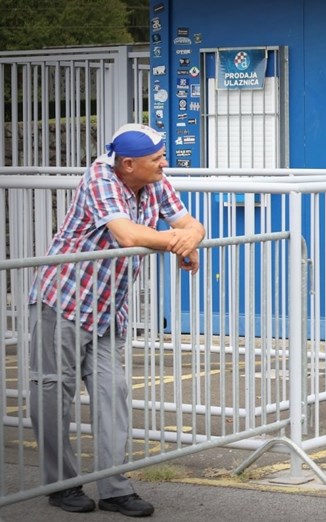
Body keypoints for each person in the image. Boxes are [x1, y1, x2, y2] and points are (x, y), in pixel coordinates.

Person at [27, 123, 205, 517]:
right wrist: (179, 242)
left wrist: (190, 237)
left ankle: (114, 488)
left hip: (109, 308)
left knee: (113, 395)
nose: (164, 163)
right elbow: (126, 234)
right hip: (65, 301)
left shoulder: (155, 178)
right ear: (128, 164)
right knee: (54, 393)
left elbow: (189, 223)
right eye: (157, 159)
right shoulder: (100, 177)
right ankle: (61, 484)